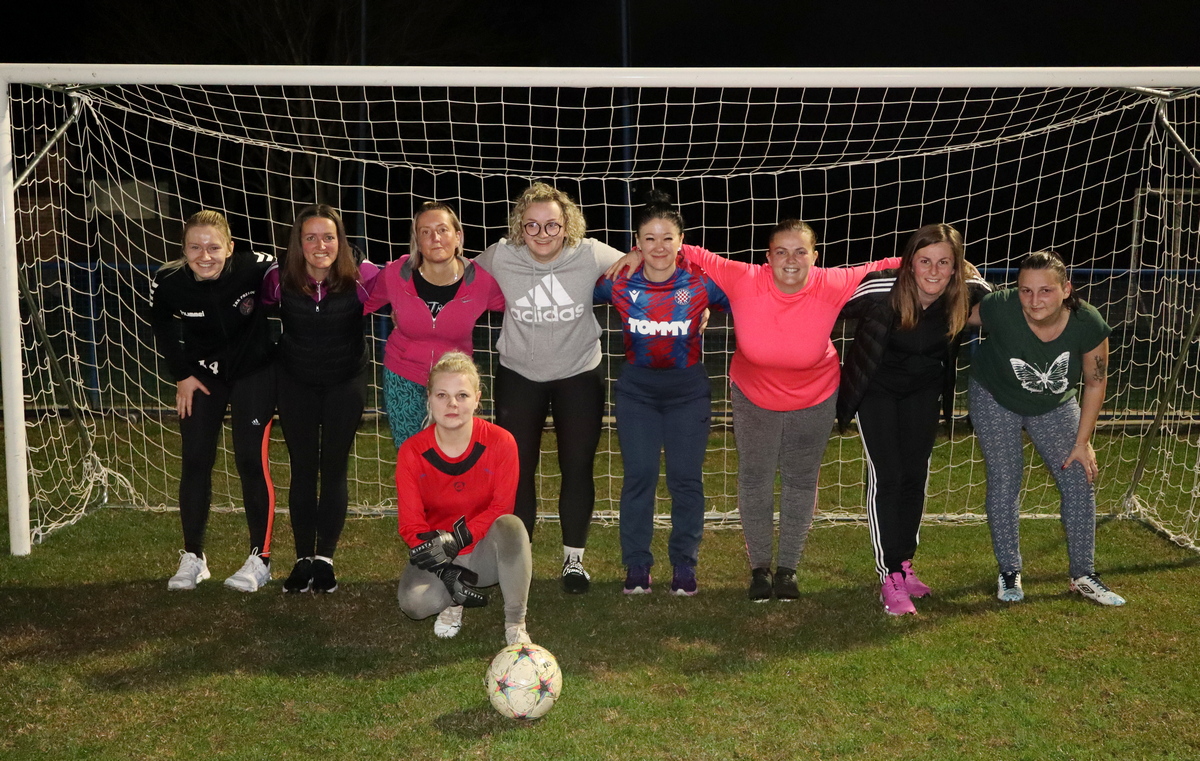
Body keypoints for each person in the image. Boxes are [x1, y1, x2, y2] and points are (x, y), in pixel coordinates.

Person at [615, 221, 900, 601]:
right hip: (753, 396)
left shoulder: (832, 281)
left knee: (801, 481)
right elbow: (692, 252)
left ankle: (788, 570)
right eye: (781, 252)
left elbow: (884, 265)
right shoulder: (745, 277)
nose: (790, 260)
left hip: (815, 397)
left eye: (800, 252)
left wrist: (951, 262)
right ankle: (759, 569)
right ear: (768, 258)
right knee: (755, 480)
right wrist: (638, 252)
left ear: (815, 257)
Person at [474, 182, 623, 594]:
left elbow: (648, 263)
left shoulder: (590, 253)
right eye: (533, 226)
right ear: (519, 227)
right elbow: (457, 276)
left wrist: (694, 304)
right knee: (517, 471)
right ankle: (518, 559)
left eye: (552, 225)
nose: (542, 234)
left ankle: (573, 560)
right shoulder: (501, 255)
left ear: (567, 225)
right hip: (519, 375)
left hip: (579, 374)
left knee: (577, 466)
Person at [837, 223, 991, 615]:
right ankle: (888, 574)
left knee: (914, 476)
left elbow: (1005, 305)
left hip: (923, 392)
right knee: (888, 477)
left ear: (956, 267)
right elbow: (826, 302)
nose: (934, 271)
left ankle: (904, 563)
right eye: (925, 261)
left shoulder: (964, 294)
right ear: (910, 263)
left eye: (944, 262)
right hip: (877, 390)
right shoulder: (881, 289)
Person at [968, 251, 1125, 606]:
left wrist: (1082, 443)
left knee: (1079, 475)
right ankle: (1009, 571)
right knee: (1005, 478)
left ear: (1066, 289)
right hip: (994, 395)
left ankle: (1083, 575)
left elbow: (1095, 383)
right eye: (1026, 290)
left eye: (1046, 291)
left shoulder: (1088, 322)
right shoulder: (1001, 306)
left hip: (1053, 403)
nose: (1034, 300)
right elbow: (960, 314)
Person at [593, 191, 728, 596]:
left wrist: (709, 309)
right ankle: (637, 564)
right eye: (649, 239)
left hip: (688, 391)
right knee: (640, 477)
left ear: (681, 241)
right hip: (637, 392)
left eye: (667, 238)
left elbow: (744, 301)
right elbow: (575, 288)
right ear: (636, 243)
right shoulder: (618, 281)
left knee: (685, 479)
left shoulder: (701, 281)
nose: (659, 247)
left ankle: (684, 564)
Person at [148, 210, 277, 592]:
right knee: (195, 459)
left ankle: (260, 559)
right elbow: (162, 325)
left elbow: (298, 276)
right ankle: (194, 557)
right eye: (195, 247)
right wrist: (182, 375)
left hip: (254, 373)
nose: (205, 256)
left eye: (214, 247)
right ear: (183, 249)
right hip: (203, 376)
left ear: (230, 248)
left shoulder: (256, 267)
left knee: (250, 459)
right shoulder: (168, 281)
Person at [261, 204, 379, 594]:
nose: (320, 245)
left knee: (333, 467)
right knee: (303, 468)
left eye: (328, 237)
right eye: (310, 237)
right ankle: (302, 559)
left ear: (340, 241)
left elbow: (403, 285)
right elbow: (252, 310)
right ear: (298, 242)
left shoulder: (362, 275)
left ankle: (325, 559)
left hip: (346, 380)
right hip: (295, 381)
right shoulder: (278, 276)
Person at [396, 351, 532, 645]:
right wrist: (443, 567)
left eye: (462, 395)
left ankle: (515, 622)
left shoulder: (501, 442)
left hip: (485, 552)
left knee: (512, 526)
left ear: (477, 399)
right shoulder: (412, 451)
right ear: (429, 398)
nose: (452, 404)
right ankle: (452, 600)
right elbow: (410, 524)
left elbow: (501, 507)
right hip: (438, 553)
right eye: (442, 395)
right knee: (415, 604)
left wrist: (458, 539)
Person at [363, 202, 506, 448]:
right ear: (417, 241)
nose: (435, 238)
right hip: (404, 375)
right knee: (411, 453)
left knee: (453, 454)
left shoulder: (481, 281)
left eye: (442, 230)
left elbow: (518, 307)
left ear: (458, 236)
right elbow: (360, 302)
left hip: (454, 381)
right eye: (425, 232)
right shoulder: (395, 275)